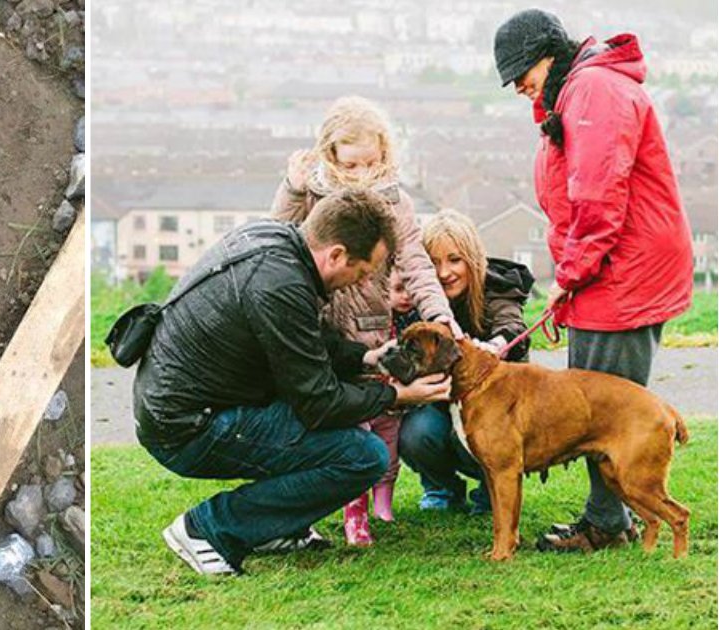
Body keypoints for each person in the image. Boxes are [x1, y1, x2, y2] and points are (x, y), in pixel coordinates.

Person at [134, 190, 451, 575]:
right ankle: (207, 528)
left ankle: (273, 529)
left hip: (184, 404)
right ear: (336, 255)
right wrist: (396, 395)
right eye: (364, 272)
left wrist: (364, 356)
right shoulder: (280, 286)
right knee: (363, 456)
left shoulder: (275, 243)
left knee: (343, 434)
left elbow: (303, 339)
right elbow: (320, 404)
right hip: (187, 428)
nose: (361, 282)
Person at [493, 9, 693, 552]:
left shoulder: (593, 92)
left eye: (520, 72)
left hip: (621, 273)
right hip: (609, 269)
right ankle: (611, 518)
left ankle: (607, 524)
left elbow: (598, 194)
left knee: (602, 408)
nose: (517, 87)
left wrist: (570, 273)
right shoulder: (577, 91)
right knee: (593, 400)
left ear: (548, 55)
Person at [270, 96, 459, 545]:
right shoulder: (311, 193)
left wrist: (441, 318)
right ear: (330, 156)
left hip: (370, 331)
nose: (360, 175)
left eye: (371, 164)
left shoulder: (395, 202)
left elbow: (416, 264)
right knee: (311, 422)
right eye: (350, 165)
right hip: (312, 327)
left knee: (372, 425)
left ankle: (363, 513)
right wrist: (292, 189)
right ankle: (305, 512)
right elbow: (273, 241)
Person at [397, 209, 533, 514]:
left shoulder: (497, 288)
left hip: (498, 406)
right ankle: (442, 489)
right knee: (415, 435)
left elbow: (512, 324)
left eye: (454, 260)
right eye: (434, 263)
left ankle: (492, 491)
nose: (445, 272)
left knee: (479, 435)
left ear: (472, 259)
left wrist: (496, 345)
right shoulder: (419, 298)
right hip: (441, 403)